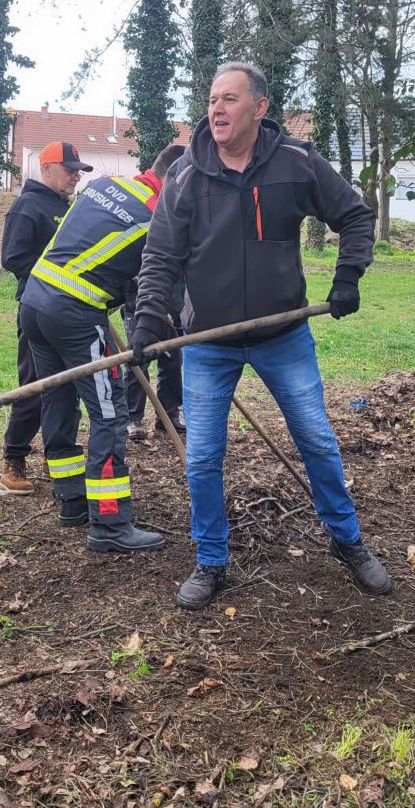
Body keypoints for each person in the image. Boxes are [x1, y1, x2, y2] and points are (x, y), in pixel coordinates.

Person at [132, 61, 392, 608]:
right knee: (203, 456)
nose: (217, 110)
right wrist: (148, 320)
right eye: (212, 100)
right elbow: (159, 256)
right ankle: (210, 559)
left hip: (282, 334)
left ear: (260, 107)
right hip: (207, 342)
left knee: (316, 440)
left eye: (229, 99)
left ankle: (347, 540)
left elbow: (355, 215)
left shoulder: (295, 162)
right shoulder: (185, 175)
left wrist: (347, 277)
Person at [18, 159, 175, 553]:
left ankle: (71, 500)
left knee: (58, 399)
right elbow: (158, 274)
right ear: (174, 179)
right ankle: (109, 523)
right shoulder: (156, 215)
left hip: (34, 301)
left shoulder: (105, 185)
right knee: (109, 415)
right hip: (75, 313)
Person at [0, 141, 91, 492]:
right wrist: (53, 281)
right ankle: (14, 458)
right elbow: (13, 258)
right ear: (46, 168)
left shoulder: (69, 207)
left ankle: (59, 461)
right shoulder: (28, 206)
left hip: (72, 313)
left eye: (78, 172)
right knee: (35, 386)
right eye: (69, 170)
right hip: (38, 311)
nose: (75, 177)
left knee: (67, 389)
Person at [121, 144, 187, 441]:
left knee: (173, 357)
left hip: (172, 295)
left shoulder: (173, 202)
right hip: (139, 297)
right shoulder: (139, 200)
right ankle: (132, 417)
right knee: (139, 356)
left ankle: (169, 413)